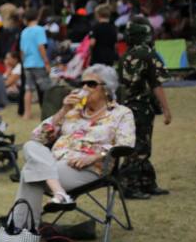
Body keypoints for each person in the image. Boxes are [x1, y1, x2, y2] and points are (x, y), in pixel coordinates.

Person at [10, 63, 135, 228]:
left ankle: (20, 230)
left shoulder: (121, 113)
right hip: (53, 163)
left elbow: (126, 144)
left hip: (88, 167)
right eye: (81, 83)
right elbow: (38, 136)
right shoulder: (72, 110)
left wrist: (95, 156)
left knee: (29, 173)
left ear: (106, 89)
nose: (84, 87)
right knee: (30, 146)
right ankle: (59, 193)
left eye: (91, 84)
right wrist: (63, 110)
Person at [116, 17, 174, 199]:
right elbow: (156, 84)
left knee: (139, 145)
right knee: (140, 148)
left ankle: (146, 183)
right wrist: (166, 109)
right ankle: (130, 186)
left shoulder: (126, 55)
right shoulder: (148, 54)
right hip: (141, 108)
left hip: (126, 107)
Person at [19, 7, 52, 111]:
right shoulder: (40, 30)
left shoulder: (24, 32)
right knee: (46, 89)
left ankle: (27, 114)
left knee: (28, 89)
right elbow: (41, 47)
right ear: (37, 17)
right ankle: (47, 111)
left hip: (27, 64)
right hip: (38, 63)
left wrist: (23, 62)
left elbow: (22, 50)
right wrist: (46, 62)